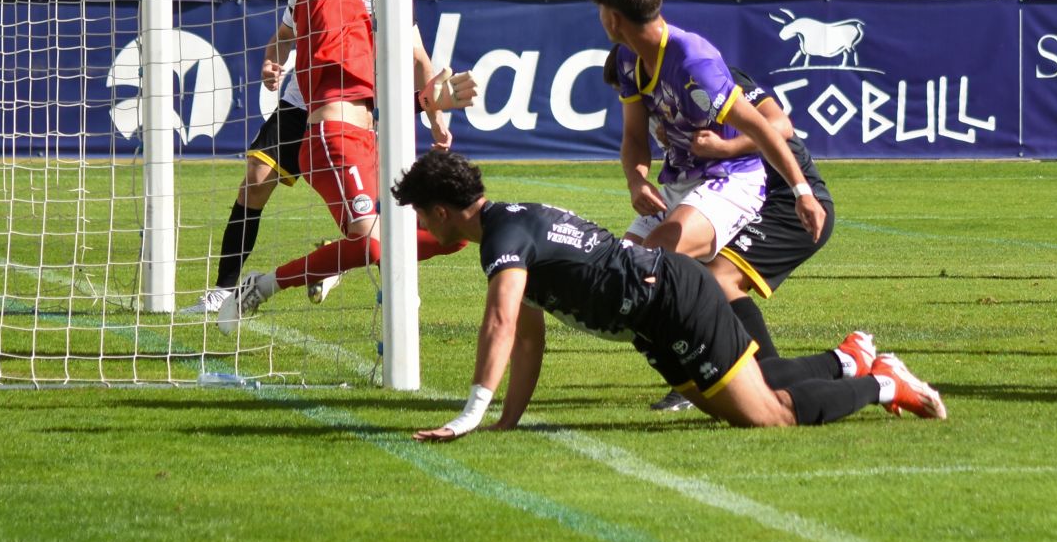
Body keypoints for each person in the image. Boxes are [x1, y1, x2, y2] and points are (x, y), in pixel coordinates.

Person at [391, 149, 944, 441]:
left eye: (419, 213)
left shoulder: (503, 240)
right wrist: (504, 425)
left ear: (440, 211)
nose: (421, 224)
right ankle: (848, 359)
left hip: (672, 297)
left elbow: (501, 324)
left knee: (767, 418)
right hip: (654, 315)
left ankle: (881, 384)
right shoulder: (513, 224)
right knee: (733, 401)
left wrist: (469, 414)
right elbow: (528, 344)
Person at [220, 0, 475, 328]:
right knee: (374, 243)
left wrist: (431, 102)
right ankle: (259, 285)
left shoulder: (369, 10)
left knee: (450, 231)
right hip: (329, 136)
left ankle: (340, 262)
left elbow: (383, 92)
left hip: (371, 135)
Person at [587, 0, 825, 259]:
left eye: (600, 9)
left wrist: (802, 193)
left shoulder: (693, 62)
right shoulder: (626, 58)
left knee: (650, 259)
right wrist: (636, 181)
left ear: (614, 19)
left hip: (731, 180)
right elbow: (635, 136)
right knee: (621, 268)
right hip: (679, 182)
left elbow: (762, 127)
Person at [647, 65, 837, 411]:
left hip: (790, 203)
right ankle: (727, 377)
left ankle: (806, 372)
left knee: (717, 278)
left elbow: (780, 126)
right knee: (679, 273)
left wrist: (724, 147)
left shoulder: (707, 73)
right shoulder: (659, 88)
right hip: (741, 201)